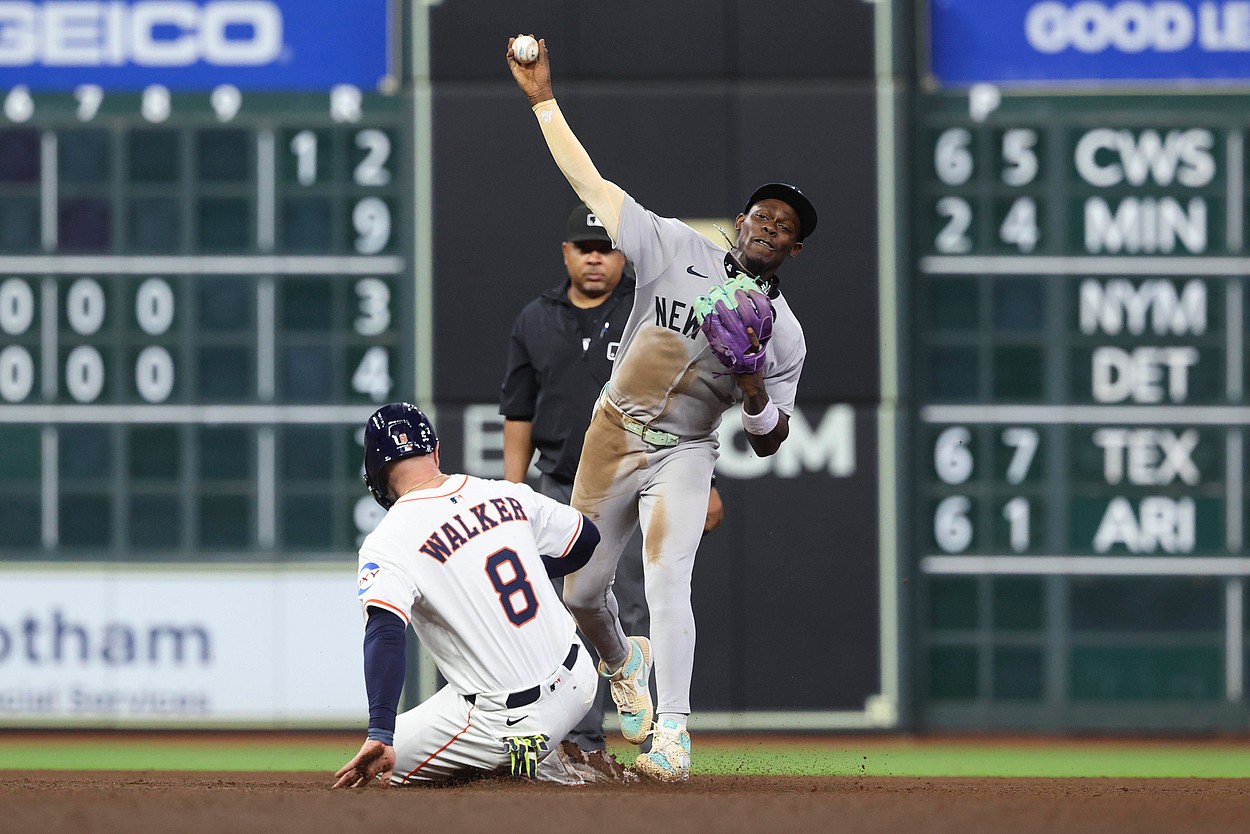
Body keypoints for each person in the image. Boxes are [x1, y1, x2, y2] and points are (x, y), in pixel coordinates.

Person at [506, 36, 817, 781]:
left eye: (787, 226)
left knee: (668, 579)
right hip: (613, 430)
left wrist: (747, 386)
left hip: (685, 449)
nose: (771, 225)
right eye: (764, 214)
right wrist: (542, 99)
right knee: (581, 590)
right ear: (742, 220)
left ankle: (672, 734)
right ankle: (621, 659)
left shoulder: (787, 334)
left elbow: (771, 439)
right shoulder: (673, 244)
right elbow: (590, 179)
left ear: (794, 251)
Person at [499, 203, 724, 762]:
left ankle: (651, 739)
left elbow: (692, 394)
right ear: (566, 253)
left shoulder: (646, 307)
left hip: (637, 477)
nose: (596, 258)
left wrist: (707, 481)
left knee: (637, 603)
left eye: (606, 248)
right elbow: (518, 413)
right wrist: (510, 492)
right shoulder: (535, 318)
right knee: (561, 612)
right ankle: (579, 741)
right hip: (559, 483)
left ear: (623, 256)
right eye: (585, 247)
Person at [332, 402, 617, 788]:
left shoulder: (387, 542)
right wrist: (533, 568)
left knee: (383, 772)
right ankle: (545, 752)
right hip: (581, 680)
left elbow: (385, 632)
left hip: (508, 723)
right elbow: (587, 538)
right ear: (434, 450)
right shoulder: (504, 493)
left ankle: (533, 762)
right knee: (463, 698)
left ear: (376, 474)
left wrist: (380, 733)